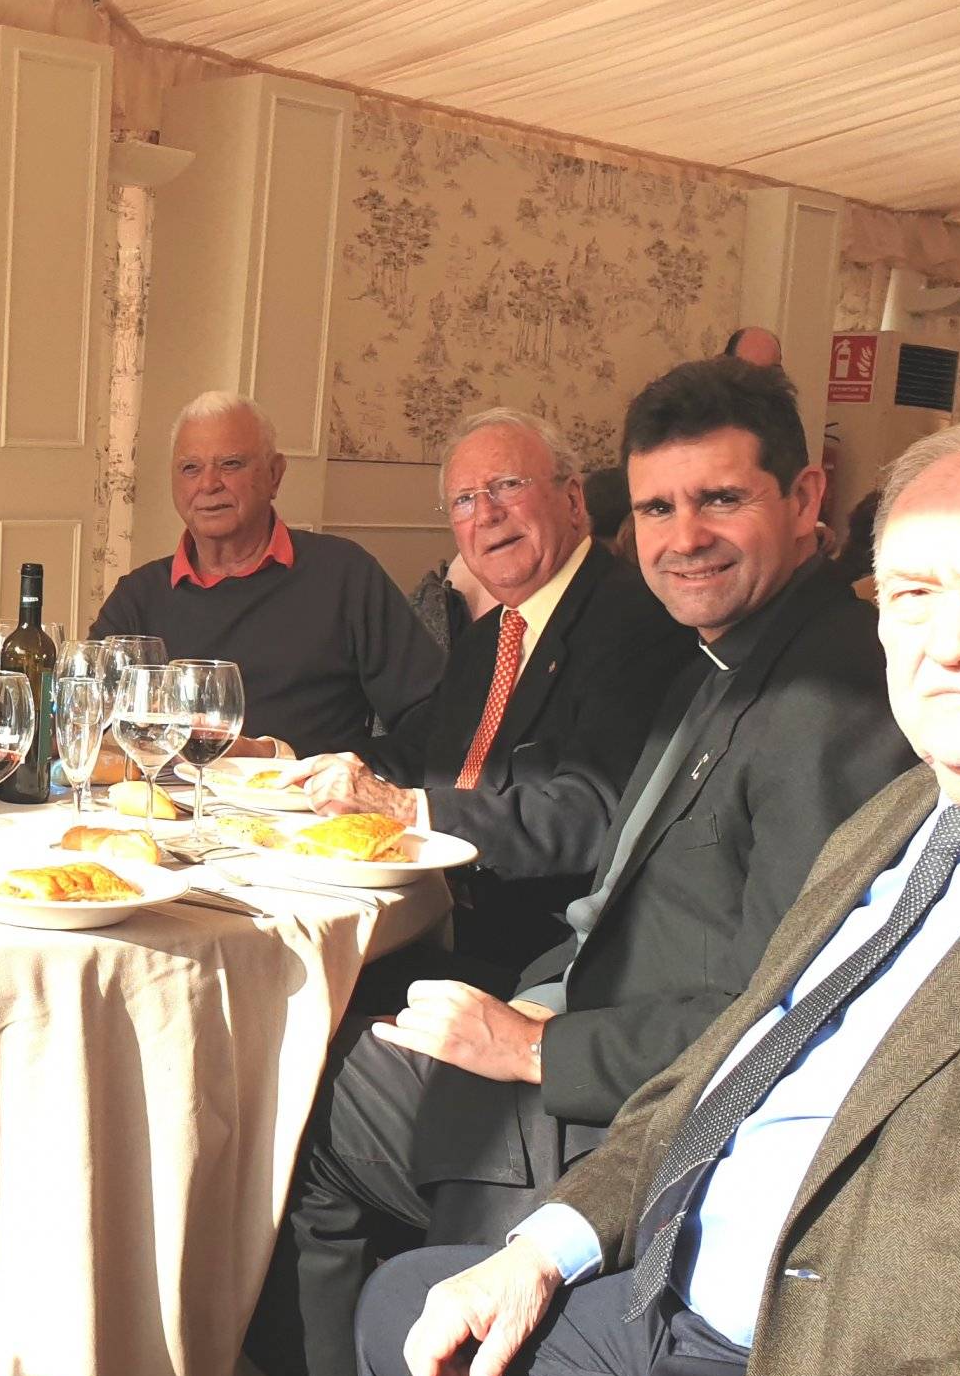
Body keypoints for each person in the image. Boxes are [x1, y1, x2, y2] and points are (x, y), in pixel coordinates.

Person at [361, 415, 960, 1376]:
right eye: (914, 596)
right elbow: (734, 1061)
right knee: (408, 1312)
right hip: (671, 1280)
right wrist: (546, 1248)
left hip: (819, 1352)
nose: (954, 642)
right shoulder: (906, 814)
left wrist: (535, 1049)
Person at [259, 360, 915, 1376]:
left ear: (804, 500)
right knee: (321, 1054)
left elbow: (786, 1011)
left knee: (313, 1098)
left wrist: (536, 1045)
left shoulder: (829, 698)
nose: (682, 536)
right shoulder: (730, 654)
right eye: (657, 507)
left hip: (630, 1107)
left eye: (720, 499)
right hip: (577, 1013)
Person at [292, 408, 698, 973]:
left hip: (541, 952)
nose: (486, 514)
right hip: (435, 918)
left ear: (574, 500)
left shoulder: (637, 622)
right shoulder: (492, 636)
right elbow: (424, 752)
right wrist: (295, 765)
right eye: (463, 500)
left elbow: (593, 811)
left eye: (508, 485)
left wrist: (405, 808)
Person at [92, 390, 442, 753]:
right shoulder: (139, 596)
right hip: (162, 804)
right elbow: (84, 716)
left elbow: (431, 716)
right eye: (190, 468)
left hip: (307, 804)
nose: (208, 484)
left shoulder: (344, 575)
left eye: (230, 464)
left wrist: (342, 771)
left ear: (275, 475)